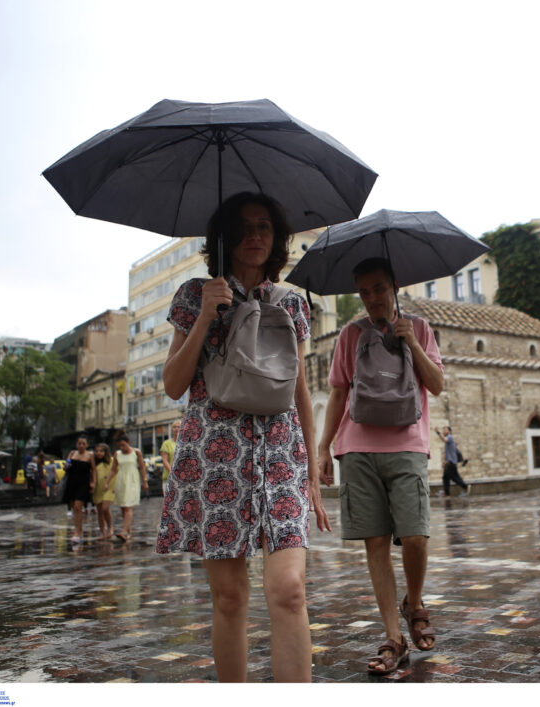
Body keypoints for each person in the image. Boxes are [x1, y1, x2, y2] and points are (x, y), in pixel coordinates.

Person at [154, 192, 330, 683]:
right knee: (230, 598)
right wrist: (209, 313)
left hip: (280, 454)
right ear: (226, 238)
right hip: (215, 454)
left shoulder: (292, 302)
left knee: (290, 588)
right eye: (245, 227)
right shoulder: (195, 295)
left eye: (265, 227)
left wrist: (313, 471)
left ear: (276, 239)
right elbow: (173, 385)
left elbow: (299, 389)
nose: (255, 236)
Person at [317, 256, 445, 675]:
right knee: (375, 543)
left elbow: (437, 385)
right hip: (357, 448)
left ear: (394, 287)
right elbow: (338, 393)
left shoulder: (420, 328)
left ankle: (414, 600)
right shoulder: (350, 335)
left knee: (416, 537)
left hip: (408, 443)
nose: (372, 298)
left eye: (378, 288)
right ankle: (394, 636)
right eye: (365, 291)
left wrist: (410, 342)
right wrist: (323, 447)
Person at [108, 434, 147, 542]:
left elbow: (142, 467)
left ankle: (124, 531)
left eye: (123, 445)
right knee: (123, 507)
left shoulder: (136, 452)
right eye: (119, 446)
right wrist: (108, 482)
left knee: (128, 505)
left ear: (128, 442)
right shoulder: (117, 454)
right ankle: (128, 532)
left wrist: (145, 481)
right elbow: (113, 469)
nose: (122, 448)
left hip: (132, 480)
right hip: (121, 480)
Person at [64, 436, 97, 544]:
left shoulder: (90, 455)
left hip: (83, 483)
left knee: (79, 506)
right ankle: (78, 529)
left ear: (87, 445)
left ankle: (77, 532)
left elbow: (93, 470)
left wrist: (93, 482)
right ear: (76, 444)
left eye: (83, 443)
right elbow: (67, 465)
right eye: (79, 443)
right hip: (72, 482)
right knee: (74, 508)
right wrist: (66, 465)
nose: (81, 445)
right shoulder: (72, 453)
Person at [435, 426, 470, 496]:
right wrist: (443, 461)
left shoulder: (450, 437)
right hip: (450, 462)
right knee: (446, 477)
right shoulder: (448, 442)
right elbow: (446, 452)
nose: (444, 431)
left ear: (449, 431)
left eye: (445, 430)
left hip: (451, 462)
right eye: (443, 430)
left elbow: (444, 440)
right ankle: (447, 492)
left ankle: (465, 487)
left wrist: (438, 432)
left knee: (452, 477)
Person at [93, 443, 116, 540]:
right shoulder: (94, 462)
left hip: (110, 487)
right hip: (98, 488)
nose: (99, 453)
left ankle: (110, 528)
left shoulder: (112, 461)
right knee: (99, 511)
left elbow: (117, 471)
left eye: (101, 451)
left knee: (105, 508)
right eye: (97, 451)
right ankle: (102, 531)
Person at [159, 420, 181, 496]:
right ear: (171, 430)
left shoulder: (185, 443)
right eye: (174, 427)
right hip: (169, 476)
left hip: (182, 477)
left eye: (178, 427)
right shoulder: (166, 444)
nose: (176, 429)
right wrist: (172, 472)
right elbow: (164, 460)